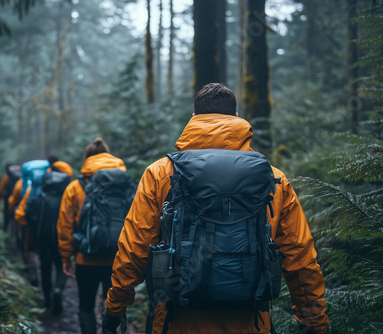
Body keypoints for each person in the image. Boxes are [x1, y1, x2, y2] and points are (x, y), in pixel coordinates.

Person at [103, 83, 329, 334]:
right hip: (250, 323)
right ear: (236, 118)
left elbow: (134, 248)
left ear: (193, 119)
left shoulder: (160, 173)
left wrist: (115, 306)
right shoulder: (272, 178)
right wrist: (314, 321)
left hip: (176, 322)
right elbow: (300, 257)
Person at [58, 137, 127, 334]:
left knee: (86, 306)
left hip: (85, 258)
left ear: (87, 159)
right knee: (113, 306)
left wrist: (66, 256)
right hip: (116, 257)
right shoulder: (123, 184)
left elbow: (64, 225)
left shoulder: (75, 187)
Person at [16, 155, 73, 315]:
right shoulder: (68, 196)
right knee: (62, 266)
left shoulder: (39, 195)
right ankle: (58, 289)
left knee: (45, 267)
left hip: (42, 238)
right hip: (60, 239)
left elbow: (27, 214)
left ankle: (47, 299)